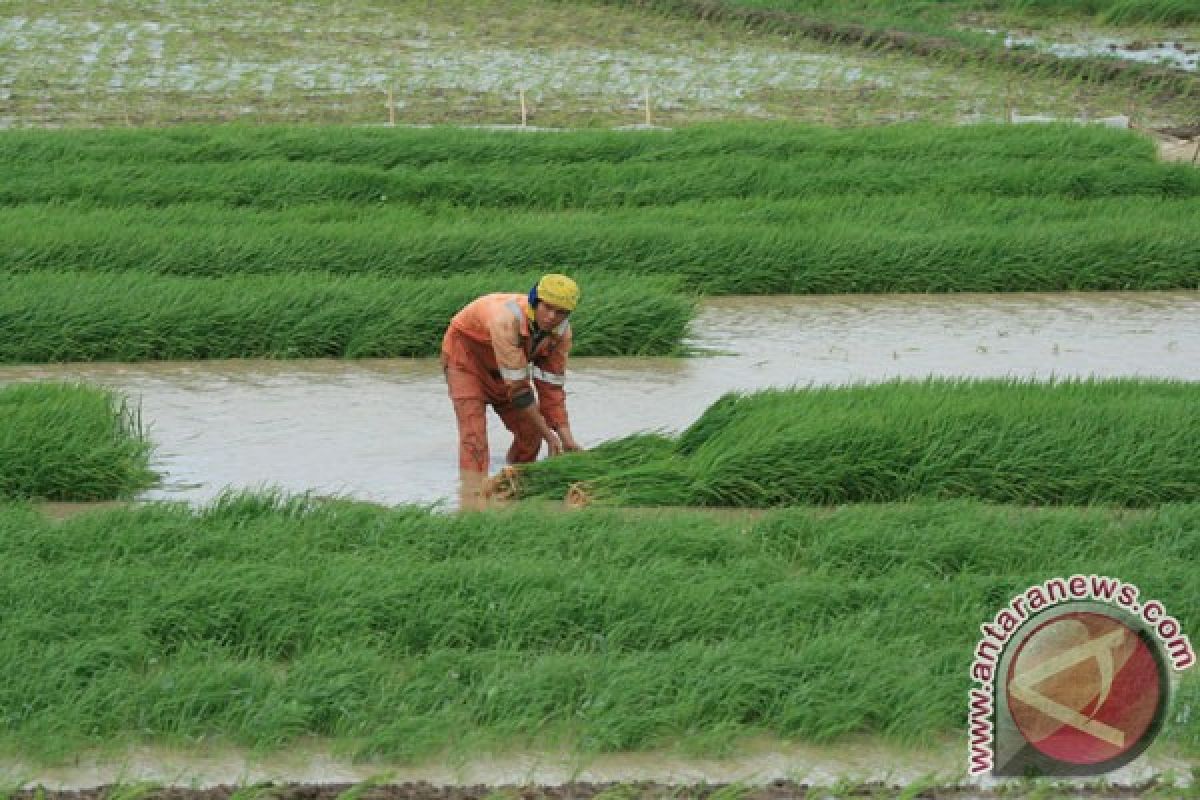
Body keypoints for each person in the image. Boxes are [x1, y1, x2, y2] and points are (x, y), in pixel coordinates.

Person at [441, 273, 583, 510]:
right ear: (535, 301)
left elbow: (551, 388)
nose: (551, 317)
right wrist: (551, 436)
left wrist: (566, 439)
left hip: (506, 370)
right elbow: (519, 391)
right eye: (547, 308)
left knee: (530, 434)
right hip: (465, 361)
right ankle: (472, 503)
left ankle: (511, 486)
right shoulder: (505, 320)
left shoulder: (561, 334)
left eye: (560, 312)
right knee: (474, 438)